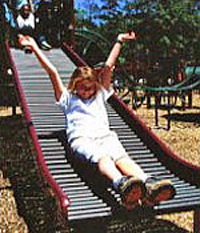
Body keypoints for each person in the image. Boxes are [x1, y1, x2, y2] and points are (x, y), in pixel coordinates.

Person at [18, 32, 176, 211]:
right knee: (104, 158)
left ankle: (148, 184)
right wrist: (34, 47)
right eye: (83, 88)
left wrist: (119, 41)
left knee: (123, 158)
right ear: (74, 85)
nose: (87, 92)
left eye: (91, 88)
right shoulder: (67, 98)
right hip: (82, 140)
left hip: (106, 137)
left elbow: (108, 67)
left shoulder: (100, 94)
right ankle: (121, 183)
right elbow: (52, 71)